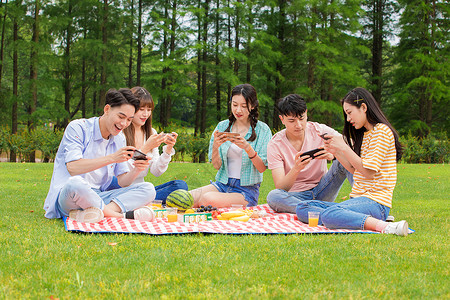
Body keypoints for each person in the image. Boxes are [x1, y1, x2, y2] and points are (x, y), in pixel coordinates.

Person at [295, 87, 409, 236]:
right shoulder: (365, 134)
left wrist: (344, 146)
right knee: (303, 207)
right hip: (358, 200)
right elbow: (357, 171)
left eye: (349, 113)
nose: (348, 119)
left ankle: (385, 226)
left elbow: (368, 173)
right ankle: (356, 218)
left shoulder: (382, 131)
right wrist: (336, 152)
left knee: (330, 215)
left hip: (375, 203)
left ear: (363, 107)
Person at [43, 88, 156, 223]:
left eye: (129, 120)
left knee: (148, 189)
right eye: (121, 117)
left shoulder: (119, 138)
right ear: (107, 109)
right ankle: (119, 216)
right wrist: (112, 158)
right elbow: (73, 167)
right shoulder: (78, 128)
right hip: (70, 196)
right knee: (75, 183)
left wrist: (136, 169)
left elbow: (122, 182)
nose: (124, 124)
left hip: (99, 196)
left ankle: (94, 213)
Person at [189, 83, 272, 208]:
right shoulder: (222, 126)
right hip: (222, 184)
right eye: (235, 105)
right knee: (186, 198)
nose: (238, 110)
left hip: (246, 191)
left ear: (253, 106)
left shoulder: (263, 130)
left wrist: (247, 148)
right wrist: (216, 147)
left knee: (207, 199)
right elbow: (216, 166)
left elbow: (262, 168)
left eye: (244, 106)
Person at [266, 94, 351, 214]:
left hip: (323, 189)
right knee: (273, 196)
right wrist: (296, 168)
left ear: (306, 114)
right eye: (292, 120)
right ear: (282, 119)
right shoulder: (275, 144)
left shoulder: (319, 130)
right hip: (296, 197)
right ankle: (327, 210)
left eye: (301, 118)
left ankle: (359, 201)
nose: (298, 125)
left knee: (345, 161)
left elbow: (349, 143)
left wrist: (333, 154)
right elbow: (281, 187)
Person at [110, 86, 187, 203]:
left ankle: (141, 201)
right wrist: (146, 148)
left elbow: (156, 172)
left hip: (142, 189)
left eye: (149, 109)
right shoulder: (120, 132)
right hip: (119, 188)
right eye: (141, 109)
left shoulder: (151, 132)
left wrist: (167, 150)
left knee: (180, 186)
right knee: (116, 183)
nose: (145, 114)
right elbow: (122, 174)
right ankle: (137, 201)